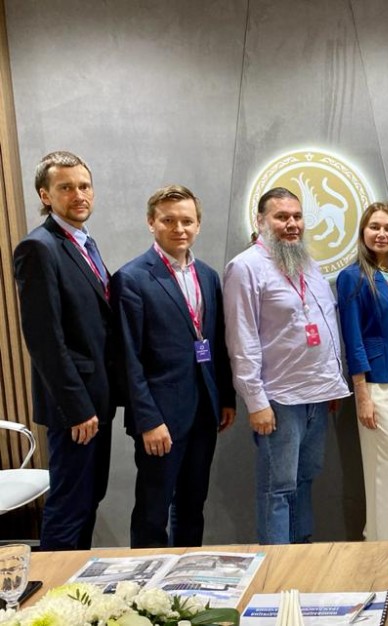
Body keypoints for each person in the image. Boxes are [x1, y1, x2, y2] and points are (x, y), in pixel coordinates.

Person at [110, 185, 236, 548]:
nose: (179, 228)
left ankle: (186, 573)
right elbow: (127, 359)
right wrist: (148, 420)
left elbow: (216, 342)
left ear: (198, 225)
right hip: (160, 418)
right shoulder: (131, 278)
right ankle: (147, 580)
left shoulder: (208, 276)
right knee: (153, 511)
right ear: (151, 223)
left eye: (187, 221)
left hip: (204, 411)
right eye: (168, 220)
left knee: (193, 506)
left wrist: (225, 398)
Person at [223, 186, 351, 544]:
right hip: (279, 399)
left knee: (305, 479)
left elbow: (324, 324)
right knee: (277, 487)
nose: (292, 224)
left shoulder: (307, 263)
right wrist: (256, 402)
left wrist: (332, 382)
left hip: (317, 395)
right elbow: (242, 338)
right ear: (260, 221)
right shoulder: (245, 267)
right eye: (281, 217)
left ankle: (300, 553)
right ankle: (277, 563)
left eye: (297, 216)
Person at [12, 151, 119, 550]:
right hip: (75, 408)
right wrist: (77, 407)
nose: (79, 195)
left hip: (96, 400)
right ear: (45, 195)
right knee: (70, 505)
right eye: (66, 187)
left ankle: (77, 581)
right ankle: (54, 585)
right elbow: (45, 340)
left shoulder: (85, 242)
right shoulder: (38, 248)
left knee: (89, 499)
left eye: (84, 186)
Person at [336, 202, 388, 541]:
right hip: (375, 381)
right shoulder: (352, 277)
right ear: (363, 233)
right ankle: (386, 547)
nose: (381, 234)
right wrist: (362, 394)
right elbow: (353, 336)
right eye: (375, 227)